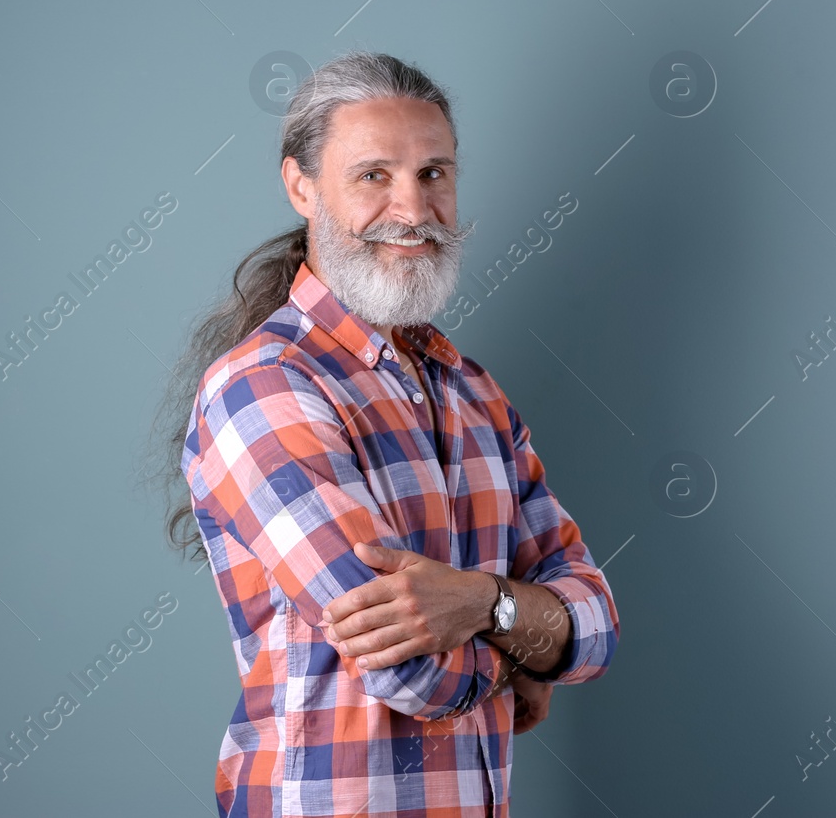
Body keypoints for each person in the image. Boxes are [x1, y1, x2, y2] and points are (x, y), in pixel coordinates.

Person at [151, 51, 619, 817]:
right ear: (301, 186)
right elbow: (417, 672)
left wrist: (481, 604)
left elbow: (594, 626)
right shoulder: (264, 385)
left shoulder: (472, 391)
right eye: (374, 175)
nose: (413, 207)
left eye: (434, 173)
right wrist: (522, 642)